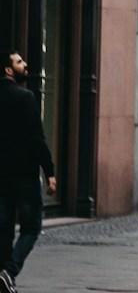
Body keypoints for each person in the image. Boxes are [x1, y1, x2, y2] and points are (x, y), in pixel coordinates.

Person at [0, 51, 56, 293]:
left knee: (3, 228)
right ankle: (9, 271)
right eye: (20, 61)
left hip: (2, 177)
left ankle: (2, 281)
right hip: (24, 175)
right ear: (8, 70)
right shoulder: (25, 98)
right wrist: (50, 172)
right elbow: (37, 139)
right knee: (31, 227)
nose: (26, 64)